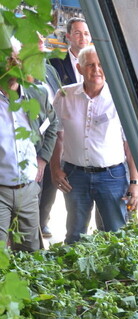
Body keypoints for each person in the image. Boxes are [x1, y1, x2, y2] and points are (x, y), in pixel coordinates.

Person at [51, 46, 138, 244]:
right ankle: (74, 274)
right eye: (90, 65)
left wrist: (134, 182)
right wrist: (55, 168)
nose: (96, 69)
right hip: (75, 176)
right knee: (75, 235)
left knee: (116, 235)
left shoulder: (120, 97)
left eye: (100, 65)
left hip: (112, 177)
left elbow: (130, 144)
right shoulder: (64, 95)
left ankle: (115, 276)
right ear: (79, 68)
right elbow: (56, 136)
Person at [43, 17, 93, 239]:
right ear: (68, 36)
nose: (83, 38)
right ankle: (43, 220)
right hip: (62, 124)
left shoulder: (98, 63)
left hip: (90, 129)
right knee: (53, 176)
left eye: (86, 33)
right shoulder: (56, 63)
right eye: (78, 33)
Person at [0, 67, 59, 250]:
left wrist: (43, 158)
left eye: (16, 62)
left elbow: (52, 124)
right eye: (6, 62)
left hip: (28, 189)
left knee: (30, 252)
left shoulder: (38, 94)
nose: (12, 68)